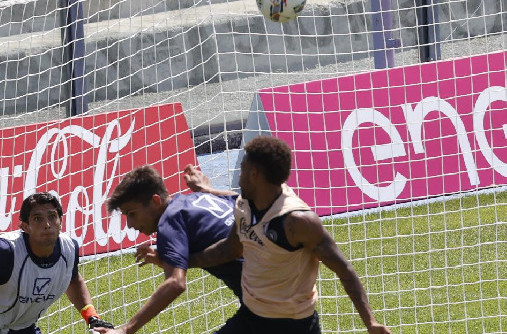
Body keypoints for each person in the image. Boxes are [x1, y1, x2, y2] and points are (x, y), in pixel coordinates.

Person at [187, 136, 392, 334]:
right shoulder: (245, 205)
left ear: (254, 174)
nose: (238, 176)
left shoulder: (298, 222)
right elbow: (228, 249)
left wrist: (371, 322)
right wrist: (179, 261)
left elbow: (344, 269)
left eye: (242, 169)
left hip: (292, 326)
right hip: (251, 319)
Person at [93, 165, 243, 334]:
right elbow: (242, 202)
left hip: (267, 300)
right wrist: (207, 189)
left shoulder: (169, 220)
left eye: (132, 213)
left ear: (156, 201)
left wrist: (125, 329)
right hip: (270, 289)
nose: (130, 224)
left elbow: (175, 283)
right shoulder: (197, 198)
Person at [0, 192, 114, 334]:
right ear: (25, 226)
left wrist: (92, 317)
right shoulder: (5, 251)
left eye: (52, 216)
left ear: (61, 221)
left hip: (22, 329)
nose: (47, 224)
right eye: (38, 219)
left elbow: (73, 279)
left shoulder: (69, 249)